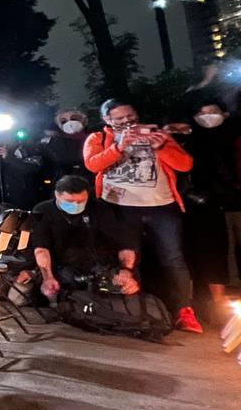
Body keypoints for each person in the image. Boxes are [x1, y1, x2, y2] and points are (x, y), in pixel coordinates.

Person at [84, 99, 199, 332]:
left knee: (173, 258)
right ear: (107, 119)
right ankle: (132, 309)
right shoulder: (98, 138)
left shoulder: (158, 134)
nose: (127, 121)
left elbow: (186, 165)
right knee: (128, 258)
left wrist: (161, 147)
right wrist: (118, 147)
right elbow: (92, 164)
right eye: (119, 118)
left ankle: (184, 312)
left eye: (130, 116)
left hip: (161, 206)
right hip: (120, 207)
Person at [29, 175, 140, 303]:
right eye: (69, 201)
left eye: (81, 201)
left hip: (99, 262)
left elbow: (123, 243)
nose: (75, 205)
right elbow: (41, 248)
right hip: (63, 264)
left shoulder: (100, 209)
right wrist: (47, 278)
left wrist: (126, 271)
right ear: (57, 195)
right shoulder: (43, 210)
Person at [182, 95, 240, 319]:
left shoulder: (235, 135)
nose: (207, 117)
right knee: (214, 253)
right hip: (206, 205)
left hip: (235, 201)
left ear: (225, 113)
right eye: (202, 113)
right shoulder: (194, 140)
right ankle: (219, 302)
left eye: (212, 111)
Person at [42, 108, 92, 186]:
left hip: (91, 183)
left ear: (83, 120)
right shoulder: (54, 142)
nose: (70, 123)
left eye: (74, 118)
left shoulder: (94, 138)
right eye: (64, 121)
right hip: (64, 184)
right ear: (60, 126)